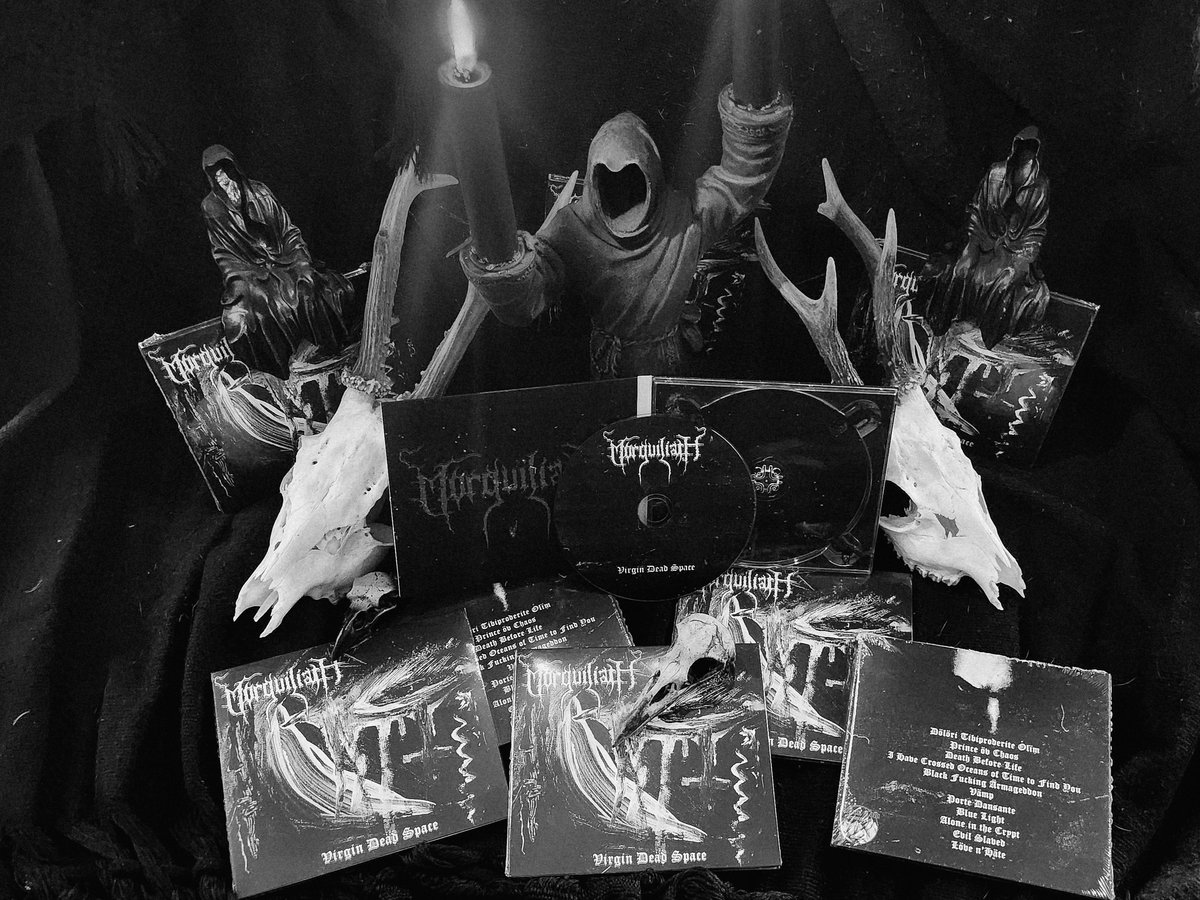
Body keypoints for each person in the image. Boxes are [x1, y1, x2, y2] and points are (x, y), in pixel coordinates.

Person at [463, 87, 792, 379]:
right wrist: (502, 268)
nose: (620, 185)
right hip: (610, 367)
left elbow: (739, 182)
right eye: (608, 176)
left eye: (632, 174)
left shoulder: (685, 217)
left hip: (669, 361)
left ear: (651, 171)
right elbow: (526, 301)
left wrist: (754, 123)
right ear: (594, 178)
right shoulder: (573, 229)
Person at [201, 145, 360, 377]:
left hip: (284, 261)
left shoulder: (260, 192)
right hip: (250, 272)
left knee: (307, 288)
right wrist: (238, 279)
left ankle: (327, 353)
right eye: (216, 175)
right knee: (250, 314)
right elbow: (224, 253)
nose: (223, 178)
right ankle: (281, 373)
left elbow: (288, 232)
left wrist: (301, 260)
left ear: (234, 168)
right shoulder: (211, 207)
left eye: (225, 170)